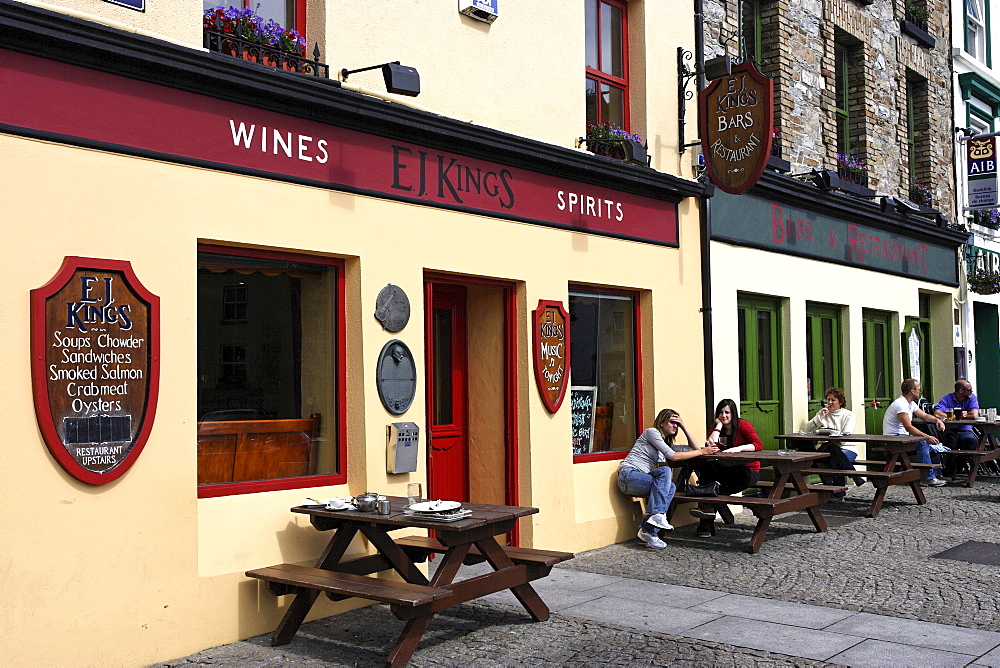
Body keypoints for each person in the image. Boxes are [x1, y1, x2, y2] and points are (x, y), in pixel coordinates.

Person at [617, 409, 719, 549]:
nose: (675, 426)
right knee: (664, 470)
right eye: (672, 422)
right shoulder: (651, 432)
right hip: (628, 475)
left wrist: (684, 427)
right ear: (661, 423)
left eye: (677, 424)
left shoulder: (665, 444)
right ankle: (657, 516)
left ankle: (648, 531)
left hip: (640, 479)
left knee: (670, 487)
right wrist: (702, 451)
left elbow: (694, 448)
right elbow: (673, 456)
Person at [688, 399, 763, 538]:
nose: (724, 415)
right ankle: (707, 517)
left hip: (747, 471)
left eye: (727, 412)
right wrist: (718, 427)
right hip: (726, 470)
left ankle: (706, 522)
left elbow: (757, 444)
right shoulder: (718, 429)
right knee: (706, 471)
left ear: (733, 413)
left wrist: (739, 449)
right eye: (721, 413)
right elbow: (709, 444)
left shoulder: (743, 425)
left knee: (710, 488)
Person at [883, 379, 947, 486]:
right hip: (894, 438)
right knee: (923, 443)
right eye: (919, 389)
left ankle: (936, 474)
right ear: (912, 390)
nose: (920, 391)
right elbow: (908, 427)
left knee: (934, 444)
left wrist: (937, 420)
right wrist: (927, 437)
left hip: (903, 437)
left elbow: (925, 416)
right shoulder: (900, 404)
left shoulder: (911, 403)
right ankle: (926, 477)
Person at [801, 387, 858, 501]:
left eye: (833, 400)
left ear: (840, 402)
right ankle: (851, 479)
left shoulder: (848, 415)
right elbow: (807, 428)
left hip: (846, 448)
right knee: (831, 456)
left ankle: (837, 493)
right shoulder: (823, 413)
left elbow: (845, 435)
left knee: (834, 456)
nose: (830, 403)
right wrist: (820, 417)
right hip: (827, 449)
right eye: (828, 400)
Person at [933, 380, 980, 478]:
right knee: (951, 441)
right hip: (950, 429)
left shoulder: (971, 398)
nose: (971, 391)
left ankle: (959, 466)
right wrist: (956, 415)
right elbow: (937, 413)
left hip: (965, 429)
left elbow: (974, 415)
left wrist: (964, 415)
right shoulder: (948, 398)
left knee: (972, 442)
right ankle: (950, 470)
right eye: (969, 390)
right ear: (961, 391)